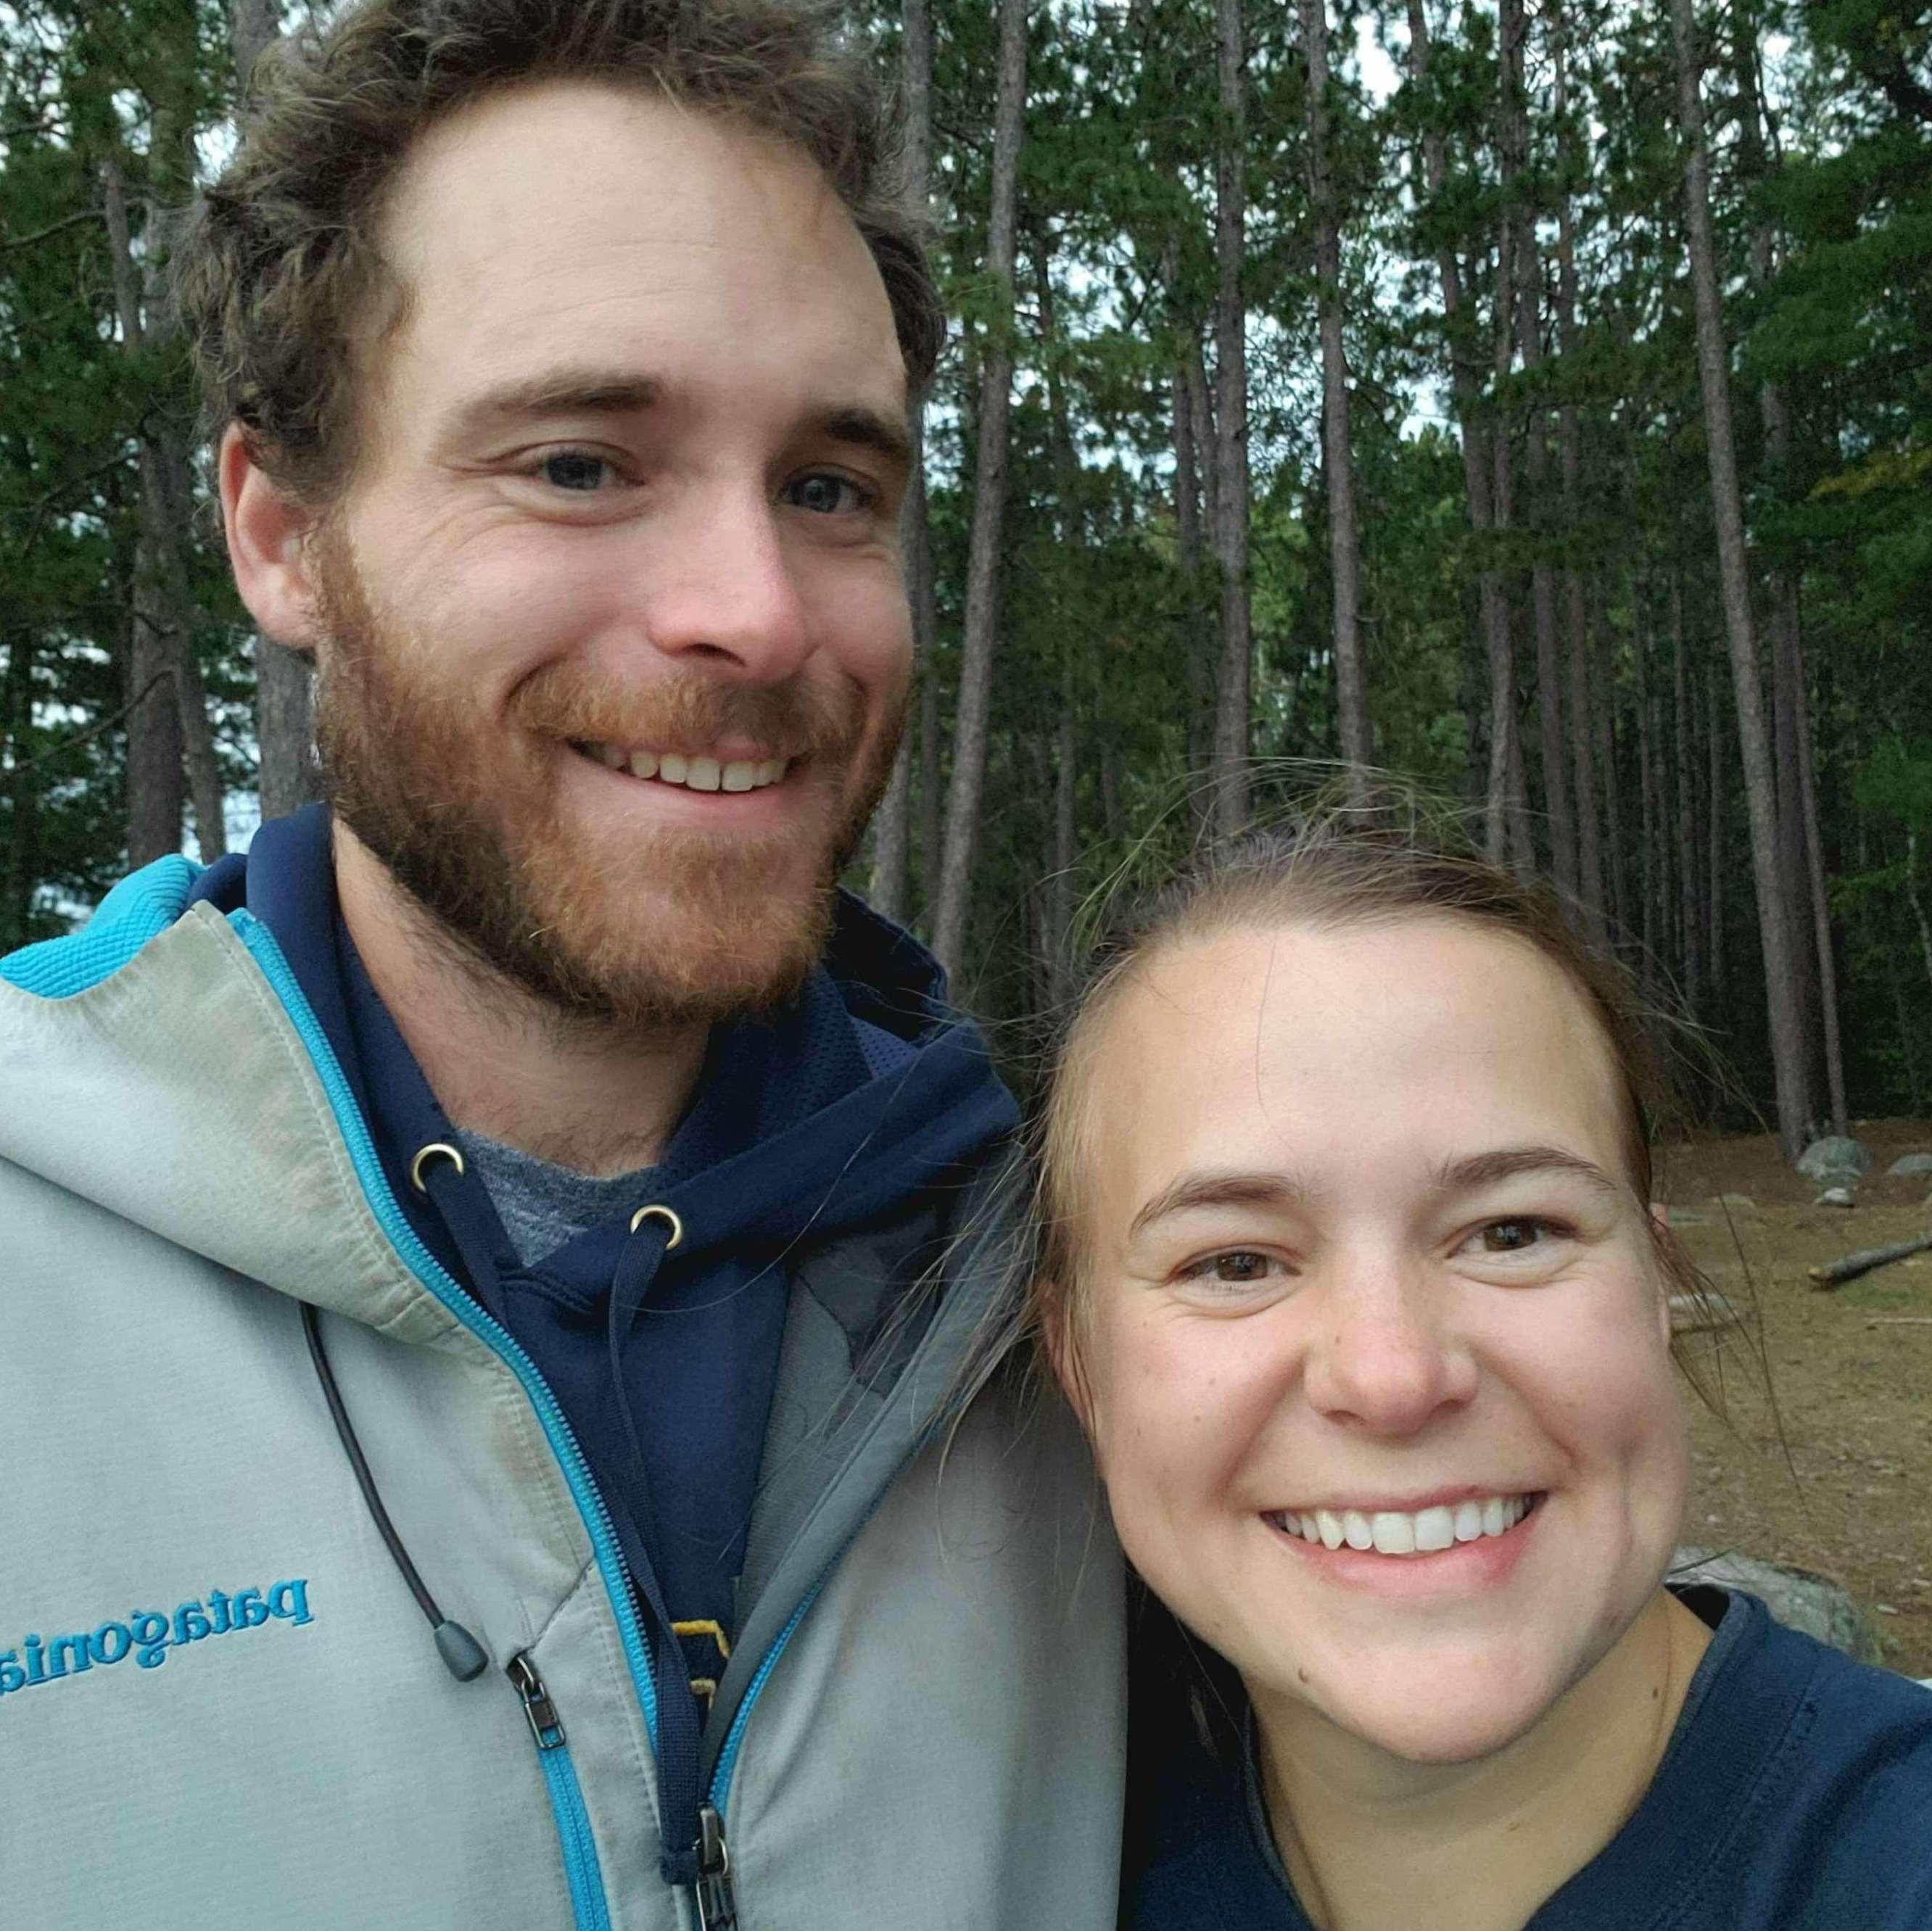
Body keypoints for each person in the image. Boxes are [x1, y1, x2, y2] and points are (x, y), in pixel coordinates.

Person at [0, 4, 1121, 1926]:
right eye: (584, 465)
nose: (756, 616)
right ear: (280, 532)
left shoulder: (1075, 1310)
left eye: (831, 488)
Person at [1026, 814, 1932, 1931]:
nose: (1395, 1375)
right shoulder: (994, 1868)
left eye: (1511, 1233)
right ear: (1079, 1367)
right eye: (1237, 1260)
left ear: (1656, 1287)